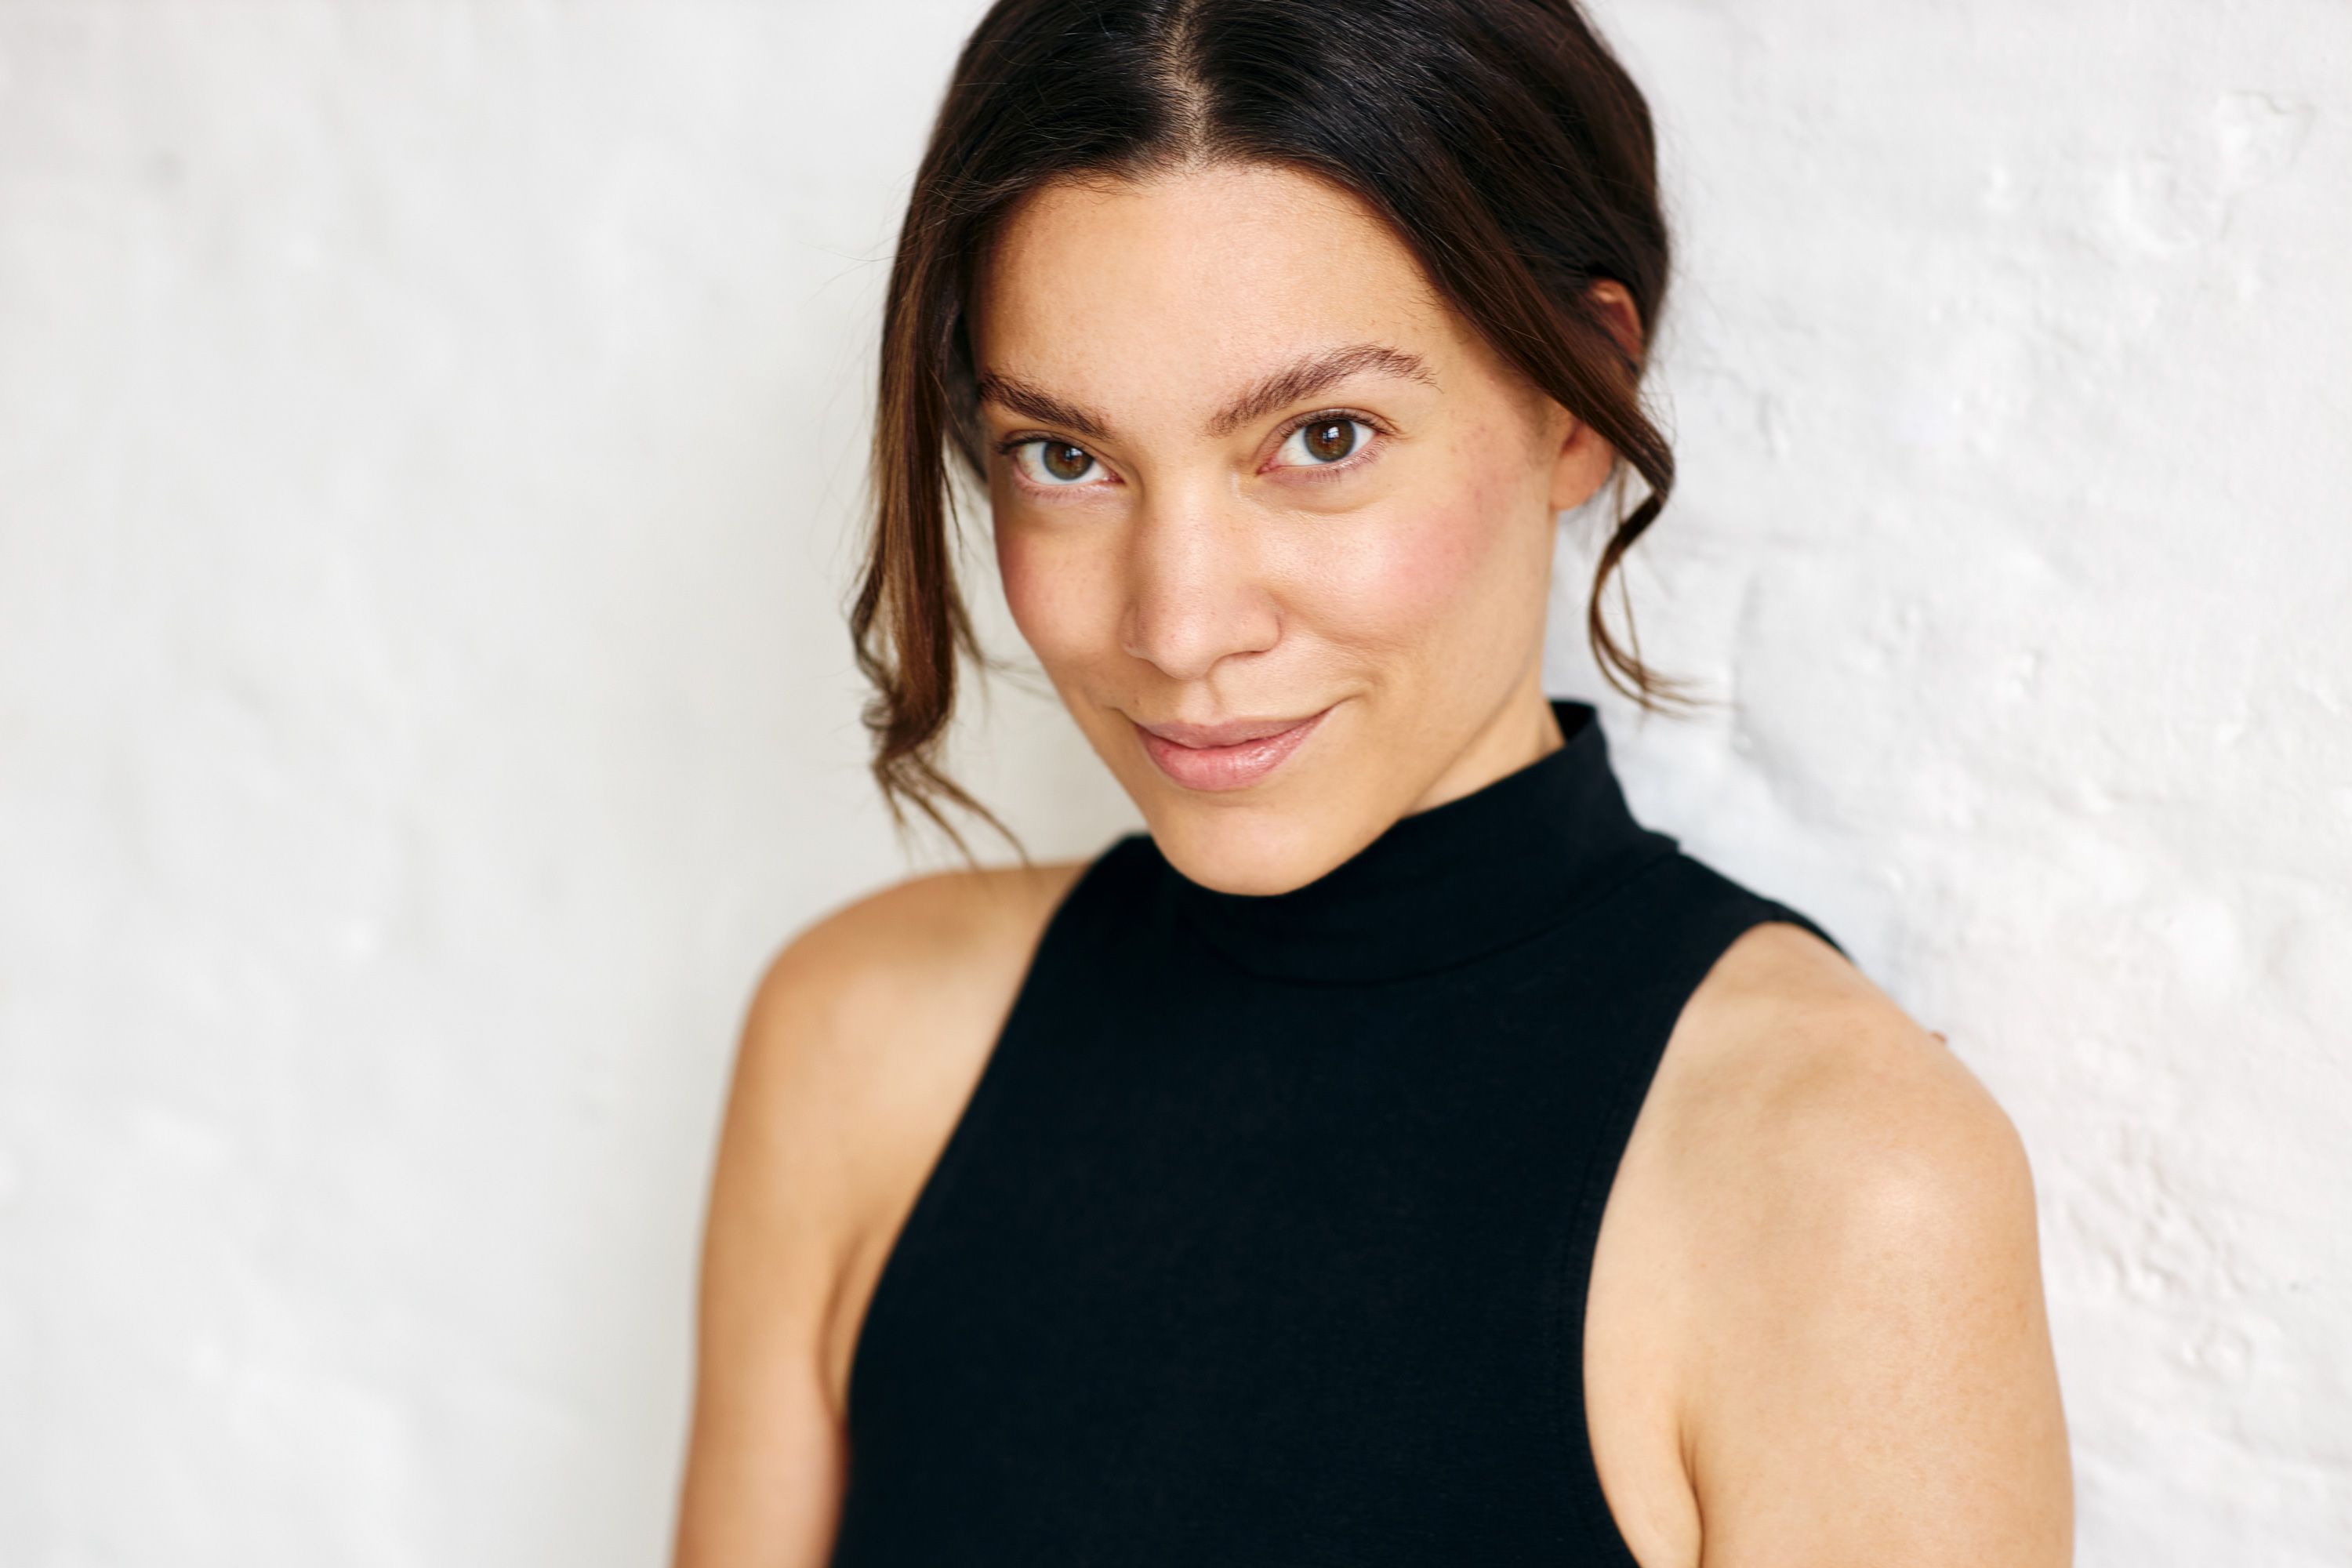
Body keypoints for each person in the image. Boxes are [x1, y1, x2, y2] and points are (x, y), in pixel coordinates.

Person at [670, 2, 2073, 1563]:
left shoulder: (1842, 1183)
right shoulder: (861, 1041)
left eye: (1322, 437)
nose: (1179, 627)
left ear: (1576, 393)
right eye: (1066, 456)